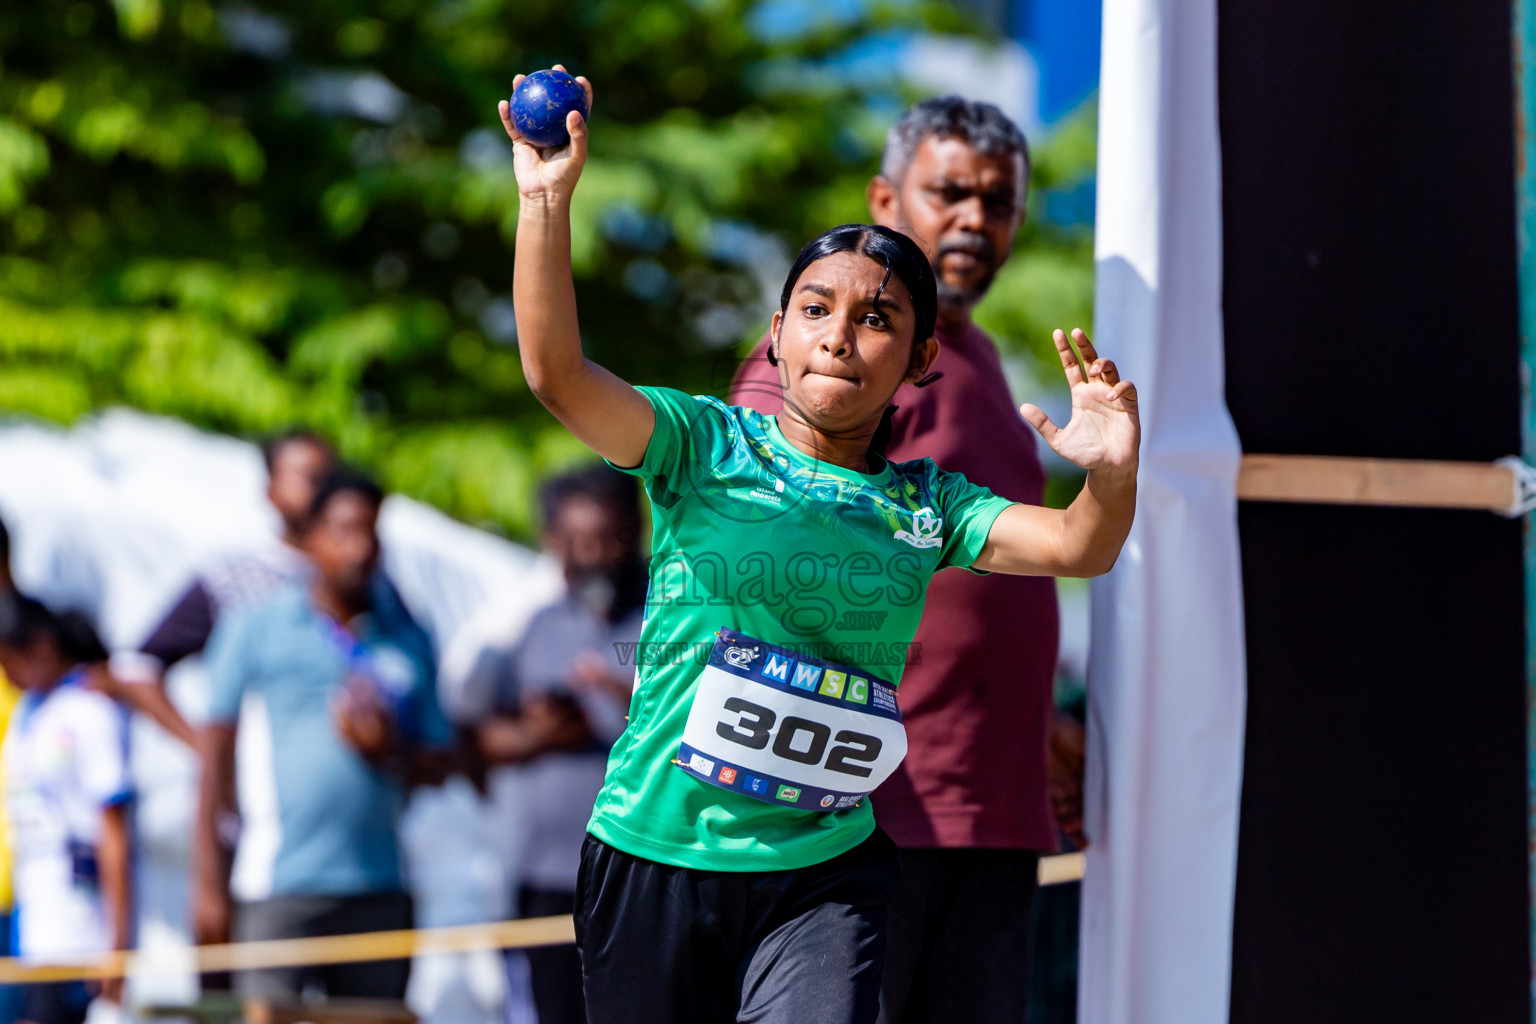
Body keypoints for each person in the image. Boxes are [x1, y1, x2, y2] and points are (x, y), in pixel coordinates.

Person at [496, 71, 1139, 1024]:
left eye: (876, 319)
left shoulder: (931, 506)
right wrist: (546, 204)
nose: (840, 337)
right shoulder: (705, 443)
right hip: (653, 851)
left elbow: (1082, 547)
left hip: (827, 871)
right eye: (815, 311)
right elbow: (557, 374)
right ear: (777, 334)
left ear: (921, 360)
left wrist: (1112, 472)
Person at [729, 96, 1076, 1022]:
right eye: (949, 192)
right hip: (866, 816)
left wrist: (1038, 722)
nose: (974, 219)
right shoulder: (838, 358)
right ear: (886, 197)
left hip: (993, 815)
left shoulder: (985, 362)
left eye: (997, 202)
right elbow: (753, 532)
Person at [193, 468, 452, 1002]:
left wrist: (388, 750)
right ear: (309, 540)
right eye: (343, 531)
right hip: (277, 886)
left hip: (379, 884)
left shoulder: (407, 638)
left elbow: (441, 760)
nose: (359, 548)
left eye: (371, 533)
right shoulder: (256, 627)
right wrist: (208, 884)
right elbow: (213, 757)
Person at [467, 465, 645, 1024]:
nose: (589, 555)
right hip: (544, 876)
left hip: (641, 872)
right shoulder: (532, 626)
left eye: (605, 538)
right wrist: (537, 734)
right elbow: (476, 738)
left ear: (635, 535)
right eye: (573, 541)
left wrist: (631, 703)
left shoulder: (669, 618)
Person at [103, 430, 337, 747]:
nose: (320, 490)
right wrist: (204, 748)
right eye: (306, 477)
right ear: (270, 490)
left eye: (328, 479)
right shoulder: (234, 574)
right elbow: (136, 667)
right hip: (259, 781)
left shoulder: (366, 577)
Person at [0, 593, 130, 1024]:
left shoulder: (88, 711)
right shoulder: (28, 715)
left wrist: (119, 944)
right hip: (34, 920)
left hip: (81, 925)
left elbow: (112, 829)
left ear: (39, 646)